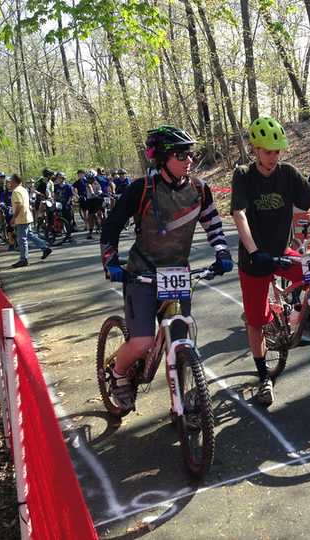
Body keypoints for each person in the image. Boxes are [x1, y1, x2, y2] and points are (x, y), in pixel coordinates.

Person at [100, 125, 233, 411]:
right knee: (143, 342)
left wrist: (222, 252)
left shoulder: (199, 189)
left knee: (181, 337)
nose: (189, 160)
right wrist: (111, 262)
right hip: (141, 275)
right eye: (181, 154)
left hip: (177, 275)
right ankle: (119, 374)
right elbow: (111, 227)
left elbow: (212, 223)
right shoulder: (143, 189)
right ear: (162, 158)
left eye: (191, 154)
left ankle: (180, 404)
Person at [231, 116, 310, 406]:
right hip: (255, 259)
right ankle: (264, 375)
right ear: (255, 149)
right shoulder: (243, 174)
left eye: (278, 151)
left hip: (282, 252)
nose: (274, 157)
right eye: (268, 151)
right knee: (255, 321)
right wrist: (253, 251)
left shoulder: (288, 173)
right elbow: (239, 214)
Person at [9, 174, 52, 268]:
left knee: (22, 239)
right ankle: (45, 248)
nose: (9, 183)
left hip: (22, 218)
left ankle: (23, 259)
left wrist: (14, 217)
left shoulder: (16, 191)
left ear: (15, 181)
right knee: (30, 235)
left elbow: (19, 205)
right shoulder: (23, 189)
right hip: (27, 216)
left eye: (10, 181)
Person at [52, 171, 74, 240]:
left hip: (66, 205)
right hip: (59, 205)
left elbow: (71, 196)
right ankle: (60, 232)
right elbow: (54, 195)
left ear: (63, 178)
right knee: (59, 219)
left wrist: (68, 203)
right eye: (57, 178)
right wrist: (54, 201)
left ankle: (69, 234)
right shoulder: (56, 187)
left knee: (68, 220)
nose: (58, 179)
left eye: (60, 178)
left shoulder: (68, 186)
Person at [85, 171, 102, 239]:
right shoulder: (88, 184)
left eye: (90, 178)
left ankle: (100, 227)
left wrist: (99, 192)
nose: (89, 179)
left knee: (99, 214)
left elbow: (100, 190)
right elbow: (90, 189)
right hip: (90, 200)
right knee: (90, 216)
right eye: (88, 178)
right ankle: (90, 232)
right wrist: (93, 193)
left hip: (97, 200)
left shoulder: (97, 182)